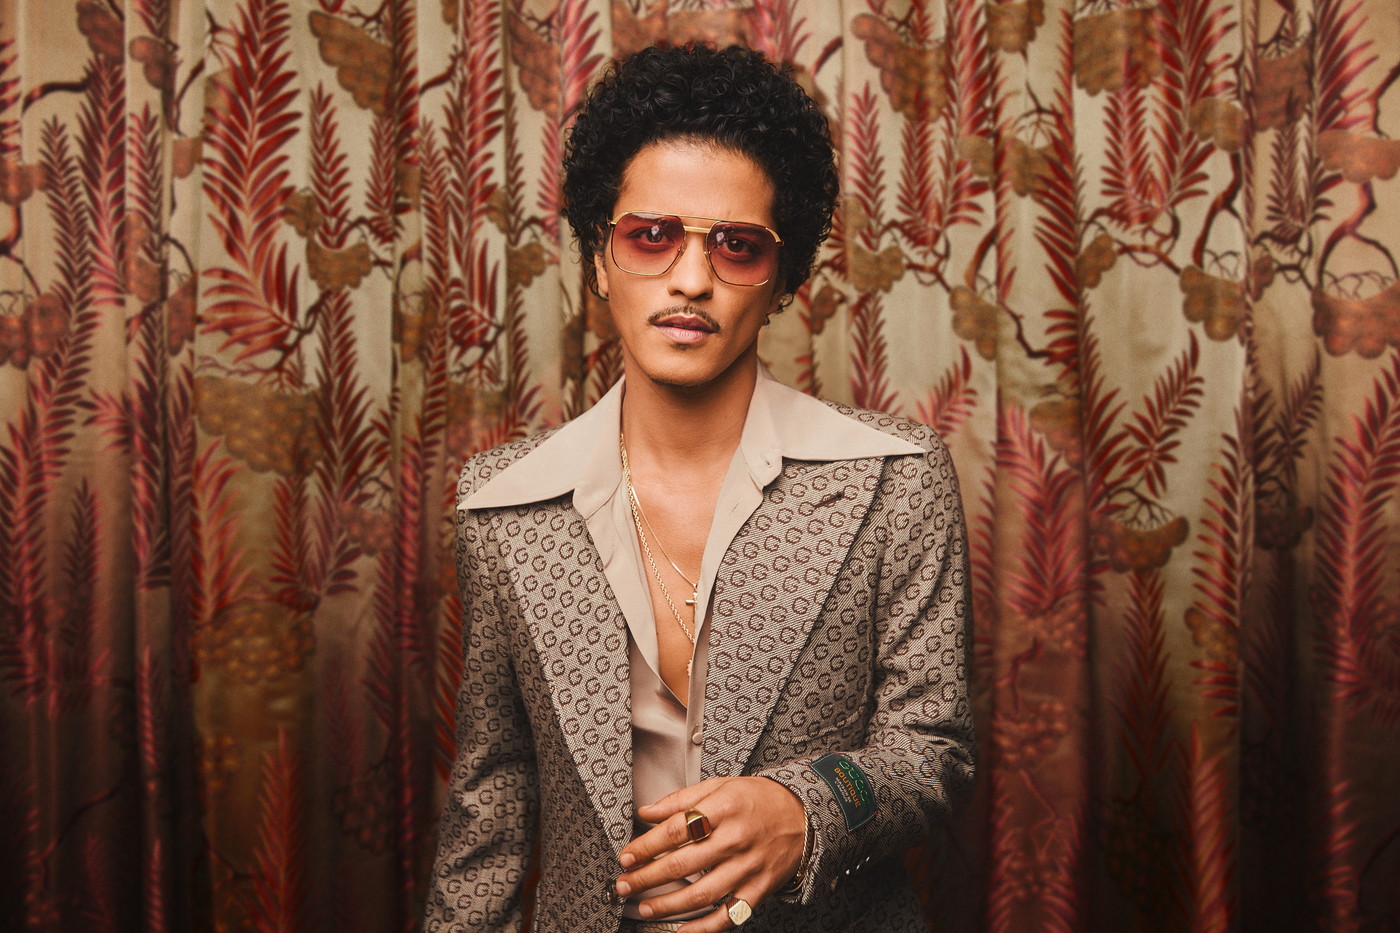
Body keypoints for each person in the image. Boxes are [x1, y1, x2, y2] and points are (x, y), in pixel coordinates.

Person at [424, 43, 974, 933]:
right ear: (598, 257)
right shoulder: (503, 505)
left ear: (783, 280)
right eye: (651, 236)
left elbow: (935, 749)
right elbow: (490, 802)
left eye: (737, 246)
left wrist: (804, 809)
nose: (690, 279)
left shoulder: (896, 479)